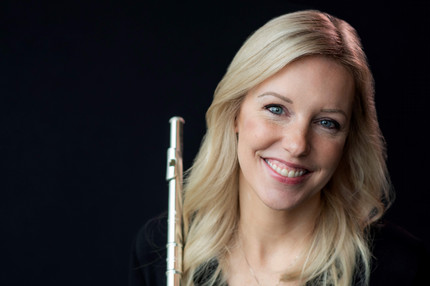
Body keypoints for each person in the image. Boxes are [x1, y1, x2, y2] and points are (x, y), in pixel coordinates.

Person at [129, 10, 428, 286]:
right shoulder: (160, 249)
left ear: (349, 139)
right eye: (276, 109)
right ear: (235, 113)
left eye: (327, 123)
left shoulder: (400, 268)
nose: (297, 145)